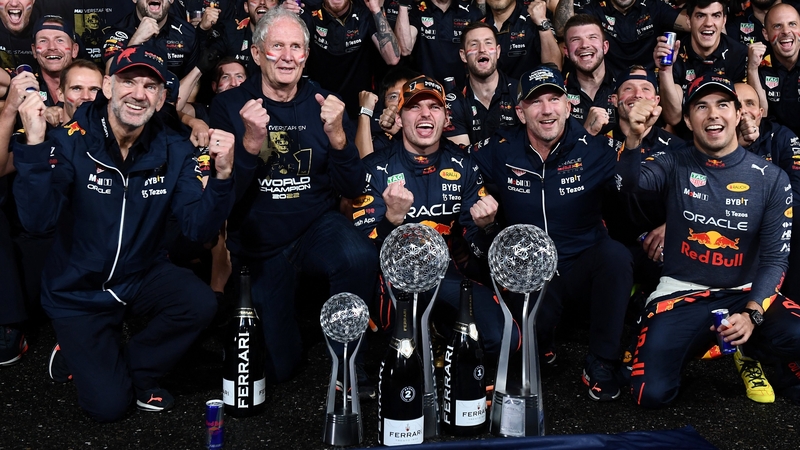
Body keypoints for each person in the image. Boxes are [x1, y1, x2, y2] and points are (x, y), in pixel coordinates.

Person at [12, 45, 236, 421]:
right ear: (108, 86)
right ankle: (79, 350)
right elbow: (38, 222)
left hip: (138, 273)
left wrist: (223, 178)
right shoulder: (71, 139)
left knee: (199, 303)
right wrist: (34, 147)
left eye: (151, 86)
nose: (138, 93)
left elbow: (197, 228)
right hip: (77, 290)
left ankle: (136, 369)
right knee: (108, 409)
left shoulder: (173, 149)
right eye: (129, 81)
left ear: (163, 97)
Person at [208, 8, 378, 389]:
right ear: (256, 54)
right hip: (260, 242)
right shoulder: (229, 106)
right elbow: (224, 200)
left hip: (315, 226)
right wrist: (250, 146)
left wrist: (338, 137)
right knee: (279, 368)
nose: (287, 56)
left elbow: (353, 188)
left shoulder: (326, 103)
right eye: (277, 46)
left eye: (296, 47)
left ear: (306, 54)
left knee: (359, 256)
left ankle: (350, 365)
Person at [617, 74, 800, 408]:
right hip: (681, 292)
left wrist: (752, 315)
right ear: (688, 119)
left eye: (723, 105)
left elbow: (775, 260)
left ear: (738, 114)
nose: (713, 114)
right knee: (650, 394)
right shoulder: (673, 160)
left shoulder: (771, 178)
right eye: (701, 106)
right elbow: (629, 187)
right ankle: (699, 343)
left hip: (746, 293)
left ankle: (752, 348)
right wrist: (632, 138)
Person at [468, 65, 633, 401]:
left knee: (617, 257)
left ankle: (601, 361)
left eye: (554, 99)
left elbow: (640, 189)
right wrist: (479, 224)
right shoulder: (499, 149)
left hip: (581, 261)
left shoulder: (595, 148)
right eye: (535, 101)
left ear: (568, 105)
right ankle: (541, 344)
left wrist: (660, 224)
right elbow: (462, 181)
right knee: (529, 288)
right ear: (520, 111)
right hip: (529, 267)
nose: (546, 110)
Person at [352, 74, 515, 363]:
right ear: (400, 118)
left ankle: (444, 332)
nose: (426, 113)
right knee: (402, 359)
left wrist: (488, 228)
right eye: (414, 107)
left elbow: (477, 248)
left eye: (434, 107)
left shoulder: (464, 166)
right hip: (392, 279)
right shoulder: (374, 168)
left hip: (445, 275)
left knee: (506, 339)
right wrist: (391, 219)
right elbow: (362, 256)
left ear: (445, 118)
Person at [603, 66, 682, 295]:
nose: (637, 95)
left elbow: (700, 195)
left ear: (657, 100)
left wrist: (673, 225)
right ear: (615, 100)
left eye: (645, 89)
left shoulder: (677, 147)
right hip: (609, 248)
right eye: (628, 88)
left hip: (660, 249)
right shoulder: (597, 142)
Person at [735, 81, 800, 326]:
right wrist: (738, 147)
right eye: (737, 104)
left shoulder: (783, 136)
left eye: (750, 104)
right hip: (728, 227)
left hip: (774, 226)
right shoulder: (712, 139)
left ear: (760, 112)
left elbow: (797, 193)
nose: (744, 110)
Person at [654, 0, 747, 127]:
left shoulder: (738, 54)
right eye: (700, 16)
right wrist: (665, 71)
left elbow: (740, 113)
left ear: (724, 20)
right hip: (684, 136)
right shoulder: (674, 54)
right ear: (688, 20)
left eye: (716, 16)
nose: (708, 23)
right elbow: (673, 118)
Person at [553, 0, 688, 76]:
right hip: (606, 85)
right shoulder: (595, 8)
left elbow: (694, 24)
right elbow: (562, 30)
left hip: (646, 83)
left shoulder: (654, 6)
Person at [445, 22, 519, 146]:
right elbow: (462, 157)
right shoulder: (454, 102)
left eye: (488, 43)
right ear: (463, 56)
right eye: (474, 44)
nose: (482, 49)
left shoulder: (520, 92)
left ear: (498, 51)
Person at [394, 0, 483, 89]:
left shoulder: (471, 12)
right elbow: (405, 49)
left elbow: (481, 52)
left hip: (463, 92)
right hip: (424, 92)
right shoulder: (417, 9)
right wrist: (403, 4)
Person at [747, 3, 800, 138]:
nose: (786, 31)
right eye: (777, 26)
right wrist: (752, 69)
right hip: (773, 144)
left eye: (792, 24)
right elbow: (761, 114)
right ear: (765, 34)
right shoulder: (760, 64)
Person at [562, 14, 616, 137]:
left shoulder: (624, 86)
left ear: (605, 46)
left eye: (592, 37)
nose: (585, 45)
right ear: (566, 51)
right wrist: (587, 131)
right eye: (575, 39)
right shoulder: (557, 93)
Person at [482, 0, 562, 79]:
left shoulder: (535, 17)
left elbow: (555, 68)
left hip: (530, 90)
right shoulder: (479, 25)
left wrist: (541, 23)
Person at [30, 15, 79, 107]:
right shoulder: (24, 85)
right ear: (34, 51)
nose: (52, 47)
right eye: (43, 41)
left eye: (60, 40)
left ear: (74, 50)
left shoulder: (89, 84)